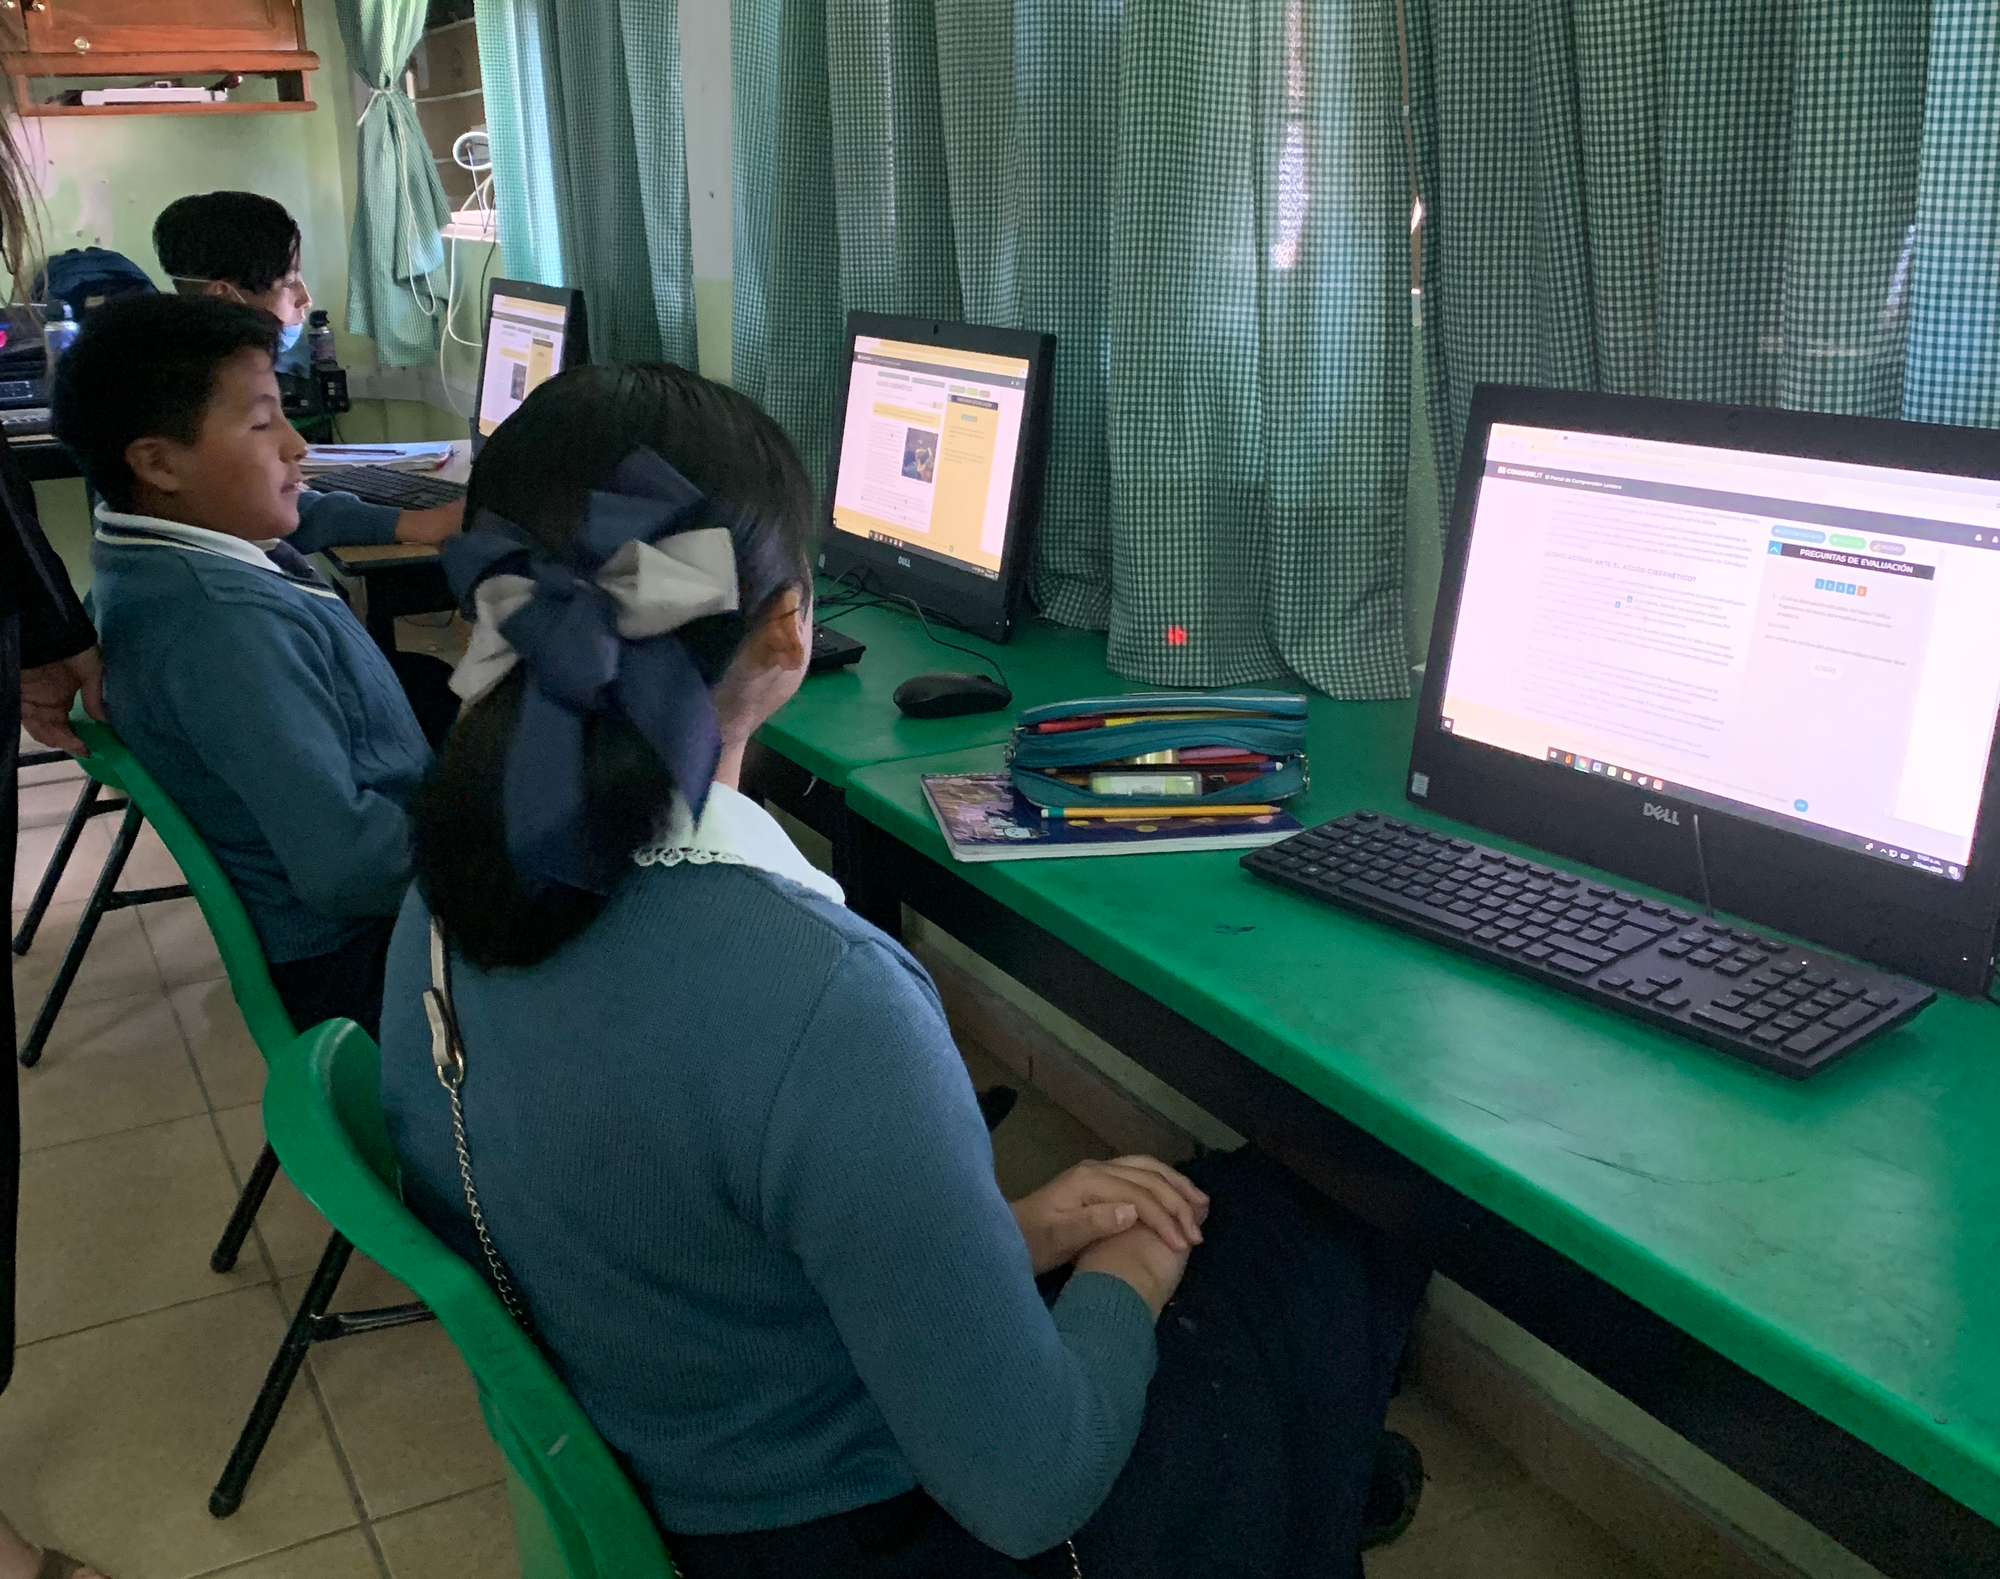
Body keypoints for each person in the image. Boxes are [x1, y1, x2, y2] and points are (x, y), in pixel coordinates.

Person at [376, 362, 1425, 1577]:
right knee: (1320, 1225)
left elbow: (700, 1211)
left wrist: (1004, 1234)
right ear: (787, 631)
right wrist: (1127, 1270)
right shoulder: (820, 998)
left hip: (679, 1453)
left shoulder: (448, 885)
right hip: (871, 1533)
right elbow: (1032, 1487)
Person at [49, 293, 432, 1038]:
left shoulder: (150, 557)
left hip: (381, 900)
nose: (296, 446)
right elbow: (348, 865)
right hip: (371, 967)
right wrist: (503, 844)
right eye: (262, 422)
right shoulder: (221, 627)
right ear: (158, 462)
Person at [151, 190, 463, 554]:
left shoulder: (175, 360)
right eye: (288, 281)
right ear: (223, 295)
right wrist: (419, 522)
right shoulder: (193, 386)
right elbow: (254, 505)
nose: (304, 298)